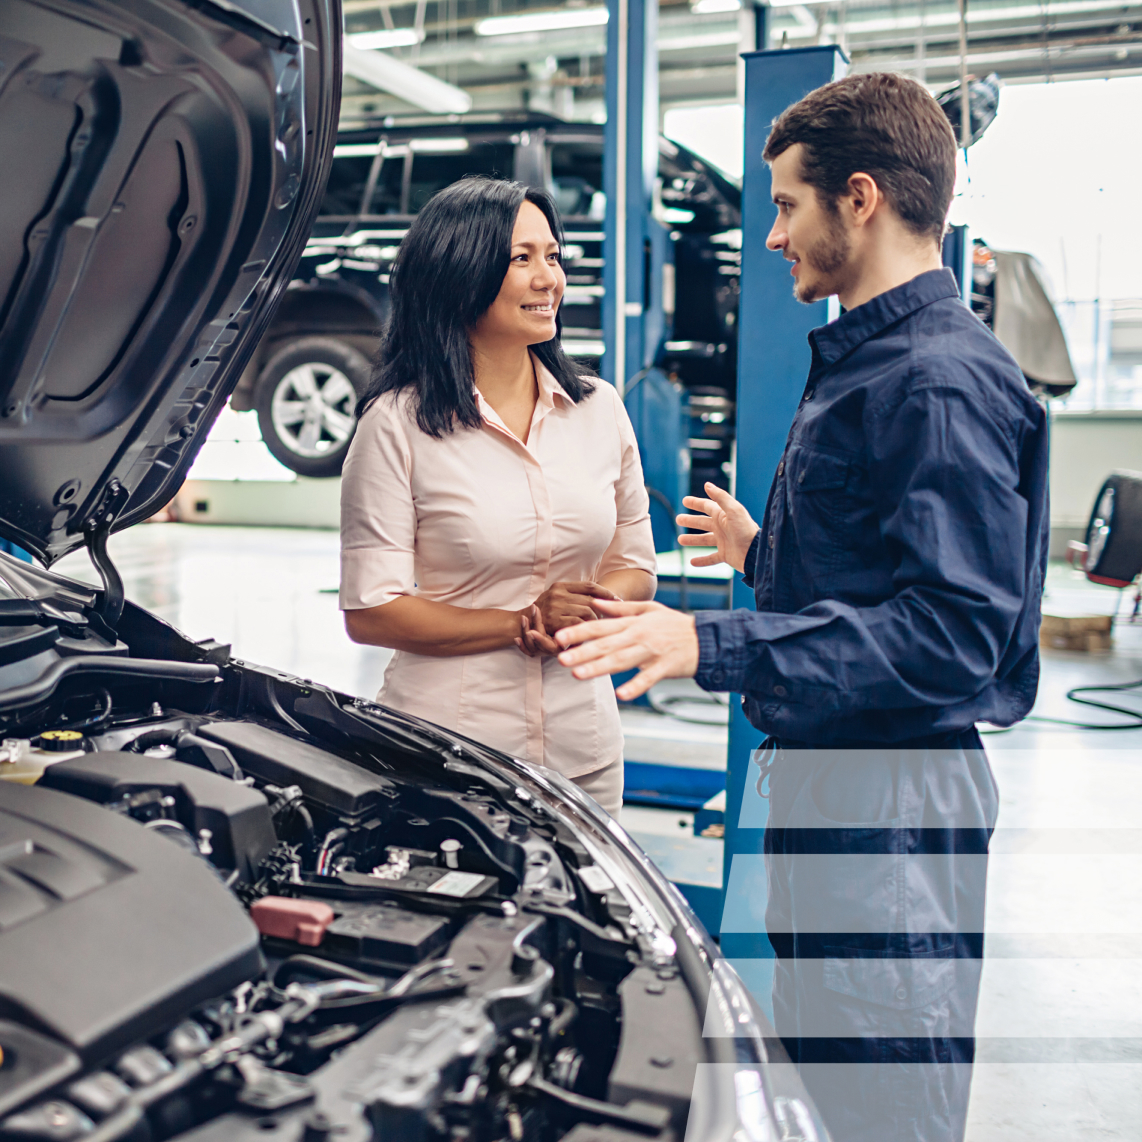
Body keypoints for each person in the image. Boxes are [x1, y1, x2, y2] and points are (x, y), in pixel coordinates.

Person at [556, 73, 1049, 1141]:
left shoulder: (932, 379)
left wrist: (705, 638)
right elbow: (880, 577)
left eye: (784, 204)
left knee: (881, 1090)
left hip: (887, 803)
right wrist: (762, 554)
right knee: (818, 1076)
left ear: (858, 197)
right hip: (843, 781)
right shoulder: (871, 359)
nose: (772, 236)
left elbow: (949, 635)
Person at [339, 177, 656, 817]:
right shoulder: (398, 424)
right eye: (522, 259)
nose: (549, 279)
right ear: (461, 274)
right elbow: (371, 611)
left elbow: (636, 567)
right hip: (448, 754)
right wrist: (519, 624)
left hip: (583, 753)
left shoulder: (599, 409)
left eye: (553, 256)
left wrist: (586, 607)